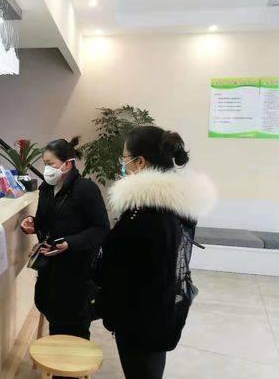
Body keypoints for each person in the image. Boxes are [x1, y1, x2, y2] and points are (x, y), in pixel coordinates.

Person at [95, 126, 216, 379]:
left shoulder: (145, 213)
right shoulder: (175, 205)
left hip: (139, 319)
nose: (122, 163)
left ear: (139, 162)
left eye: (124, 157)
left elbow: (120, 269)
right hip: (163, 312)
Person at [21, 137, 110, 340]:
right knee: (55, 324)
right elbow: (46, 222)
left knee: (73, 332)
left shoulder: (85, 189)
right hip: (49, 273)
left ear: (67, 164)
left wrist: (70, 243)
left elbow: (101, 229)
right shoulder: (46, 189)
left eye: (50, 163)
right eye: (44, 163)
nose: (46, 169)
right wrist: (32, 223)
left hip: (76, 274)